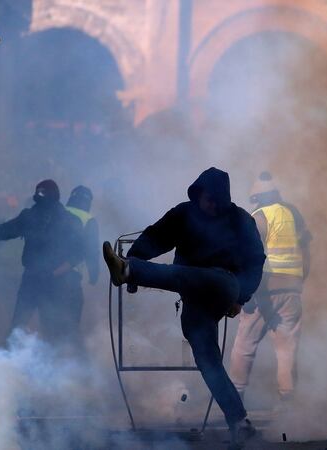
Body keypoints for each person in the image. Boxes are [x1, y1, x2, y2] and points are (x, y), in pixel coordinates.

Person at [102, 168, 265, 449]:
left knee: (179, 273)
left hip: (223, 283)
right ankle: (241, 424)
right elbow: (156, 237)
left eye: (218, 200)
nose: (213, 205)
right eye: (208, 199)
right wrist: (136, 256)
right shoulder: (183, 214)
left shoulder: (239, 220)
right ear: (198, 194)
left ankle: (129, 271)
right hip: (194, 296)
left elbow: (255, 261)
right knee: (207, 361)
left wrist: (243, 297)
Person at [0, 180, 83, 346]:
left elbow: (77, 254)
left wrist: (54, 273)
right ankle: (6, 365)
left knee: (51, 327)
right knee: (18, 324)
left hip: (55, 283)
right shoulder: (30, 217)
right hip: (33, 278)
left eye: (41, 194)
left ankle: (56, 366)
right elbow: (3, 231)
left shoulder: (69, 221)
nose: (38, 198)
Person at [229, 171, 311, 408]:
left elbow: (249, 254)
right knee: (287, 349)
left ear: (256, 198)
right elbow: (307, 253)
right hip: (291, 290)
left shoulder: (259, 217)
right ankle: (288, 405)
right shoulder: (293, 214)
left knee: (245, 344)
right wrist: (298, 281)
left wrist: (245, 290)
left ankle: (235, 398)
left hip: (264, 289)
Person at [65, 185, 100, 286]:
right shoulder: (89, 220)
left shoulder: (59, 211)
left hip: (47, 270)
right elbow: (92, 250)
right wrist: (94, 275)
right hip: (71, 273)